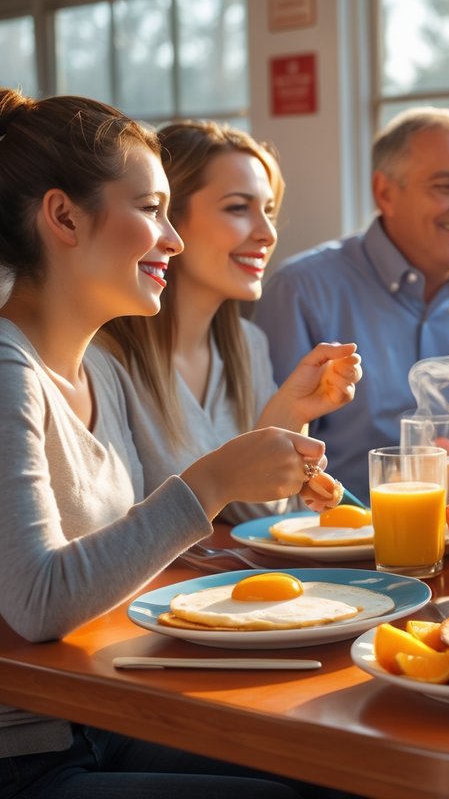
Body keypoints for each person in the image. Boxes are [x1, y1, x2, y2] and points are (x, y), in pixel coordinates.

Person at [0, 89, 350, 798]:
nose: (174, 240)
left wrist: (257, 458)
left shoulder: (98, 367)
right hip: (31, 754)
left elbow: (149, 541)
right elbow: (36, 601)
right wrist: (212, 482)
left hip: (113, 712)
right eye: (151, 209)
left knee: (346, 771)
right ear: (64, 216)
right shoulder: (9, 370)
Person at [255, 107, 449, 499]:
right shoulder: (301, 291)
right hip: (343, 546)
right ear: (385, 193)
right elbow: (267, 459)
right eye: (446, 186)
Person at [99, 120, 362, 524]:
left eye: (269, 211)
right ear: (168, 218)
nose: (268, 233)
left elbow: (256, 516)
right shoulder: (104, 356)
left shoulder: (248, 344)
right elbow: (118, 534)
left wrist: (290, 411)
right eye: (239, 208)